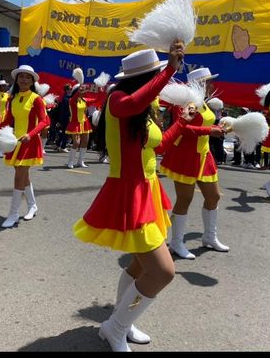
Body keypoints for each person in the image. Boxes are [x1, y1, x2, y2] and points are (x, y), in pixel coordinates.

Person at [73, 41, 185, 352]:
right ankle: (116, 327)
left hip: (149, 191)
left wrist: (183, 123)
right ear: (146, 78)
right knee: (163, 272)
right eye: (156, 75)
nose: (161, 82)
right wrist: (169, 71)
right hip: (128, 192)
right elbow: (134, 102)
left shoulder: (145, 109)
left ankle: (121, 322)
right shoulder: (118, 99)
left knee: (139, 265)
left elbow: (158, 146)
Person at [159, 67, 229, 260]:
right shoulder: (189, 103)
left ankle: (209, 237)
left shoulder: (202, 102)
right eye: (209, 81)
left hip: (204, 156)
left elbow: (202, 125)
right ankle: (176, 242)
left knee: (214, 196)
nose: (212, 85)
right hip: (186, 156)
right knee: (185, 199)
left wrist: (218, 127)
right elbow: (183, 128)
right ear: (200, 84)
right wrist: (210, 131)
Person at [0, 65, 49, 228]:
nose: (24, 79)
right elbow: (7, 121)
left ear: (32, 81)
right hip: (14, 142)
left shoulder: (36, 99)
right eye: (21, 76)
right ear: (17, 80)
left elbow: (45, 121)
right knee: (23, 177)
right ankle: (32, 205)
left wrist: (30, 134)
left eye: (28, 77)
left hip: (29, 142)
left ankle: (13, 214)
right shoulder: (12, 98)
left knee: (19, 177)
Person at [66, 81, 93, 168]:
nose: (84, 91)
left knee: (85, 142)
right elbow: (75, 97)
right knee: (76, 143)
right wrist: (79, 90)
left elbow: (97, 100)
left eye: (83, 90)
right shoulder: (72, 100)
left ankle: (80, 161)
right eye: (82, 90)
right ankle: (70, 162)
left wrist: (101, 91)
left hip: (85, 123)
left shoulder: (84, 100)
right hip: (75, 123)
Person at [55, 84, 72, 152]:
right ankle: (63, 147)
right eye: (70, 89)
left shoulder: (67, 97)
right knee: (66, 132)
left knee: (64, 132)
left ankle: (58, 144)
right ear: (67, 90)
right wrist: (69, 117)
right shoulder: (66, 98)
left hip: (64, 117)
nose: (71, 90)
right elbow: (64, 110)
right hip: (66, 117)